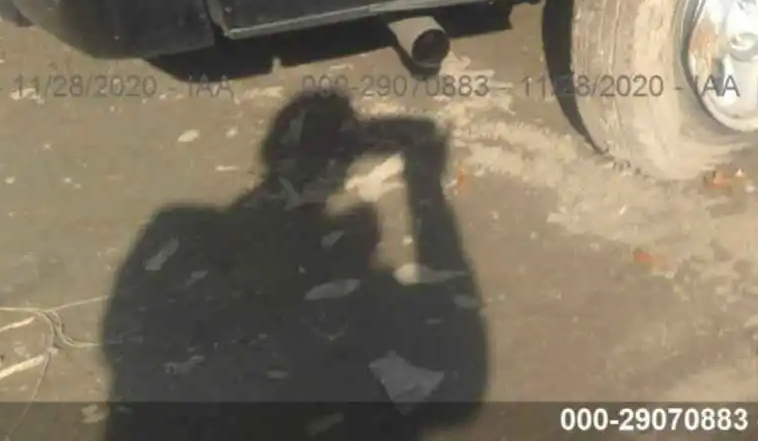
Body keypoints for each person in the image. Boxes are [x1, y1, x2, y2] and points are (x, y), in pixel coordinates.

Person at [100, 91, 487, 438]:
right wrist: (424, 184)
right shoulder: (186, 232)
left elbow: (124, 338)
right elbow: (461, 378)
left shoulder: (179, 229)